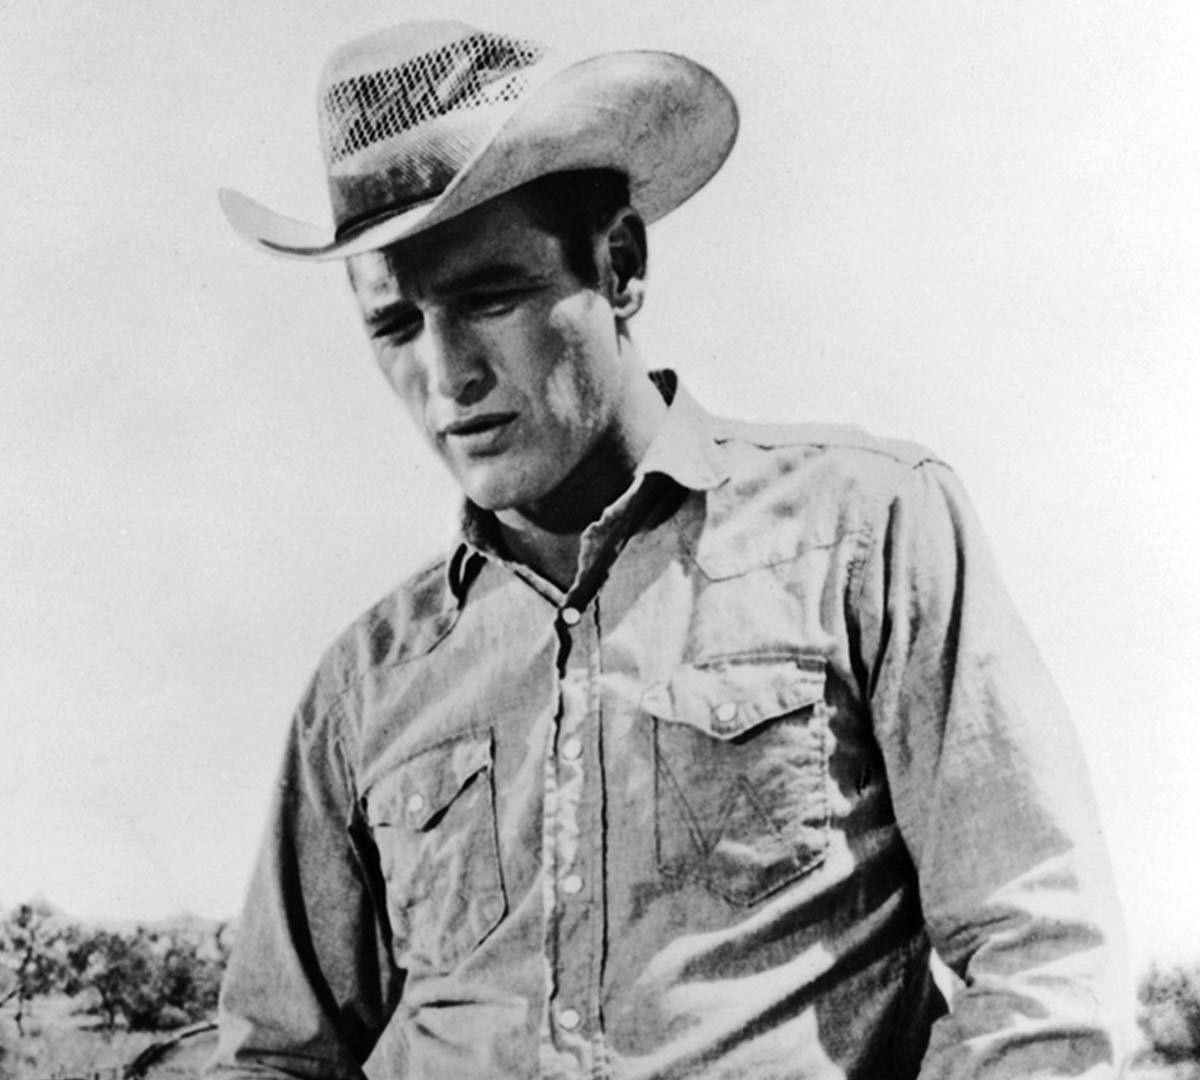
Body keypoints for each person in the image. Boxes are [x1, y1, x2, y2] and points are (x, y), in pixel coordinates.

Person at [204, 19, 1129, 1080]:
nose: (446, 373)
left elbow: (1041, 972)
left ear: (621, 265)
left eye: (488, 298)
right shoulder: (364, 687)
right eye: (395, 325)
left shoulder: (860, 532)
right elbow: (276, 1056)